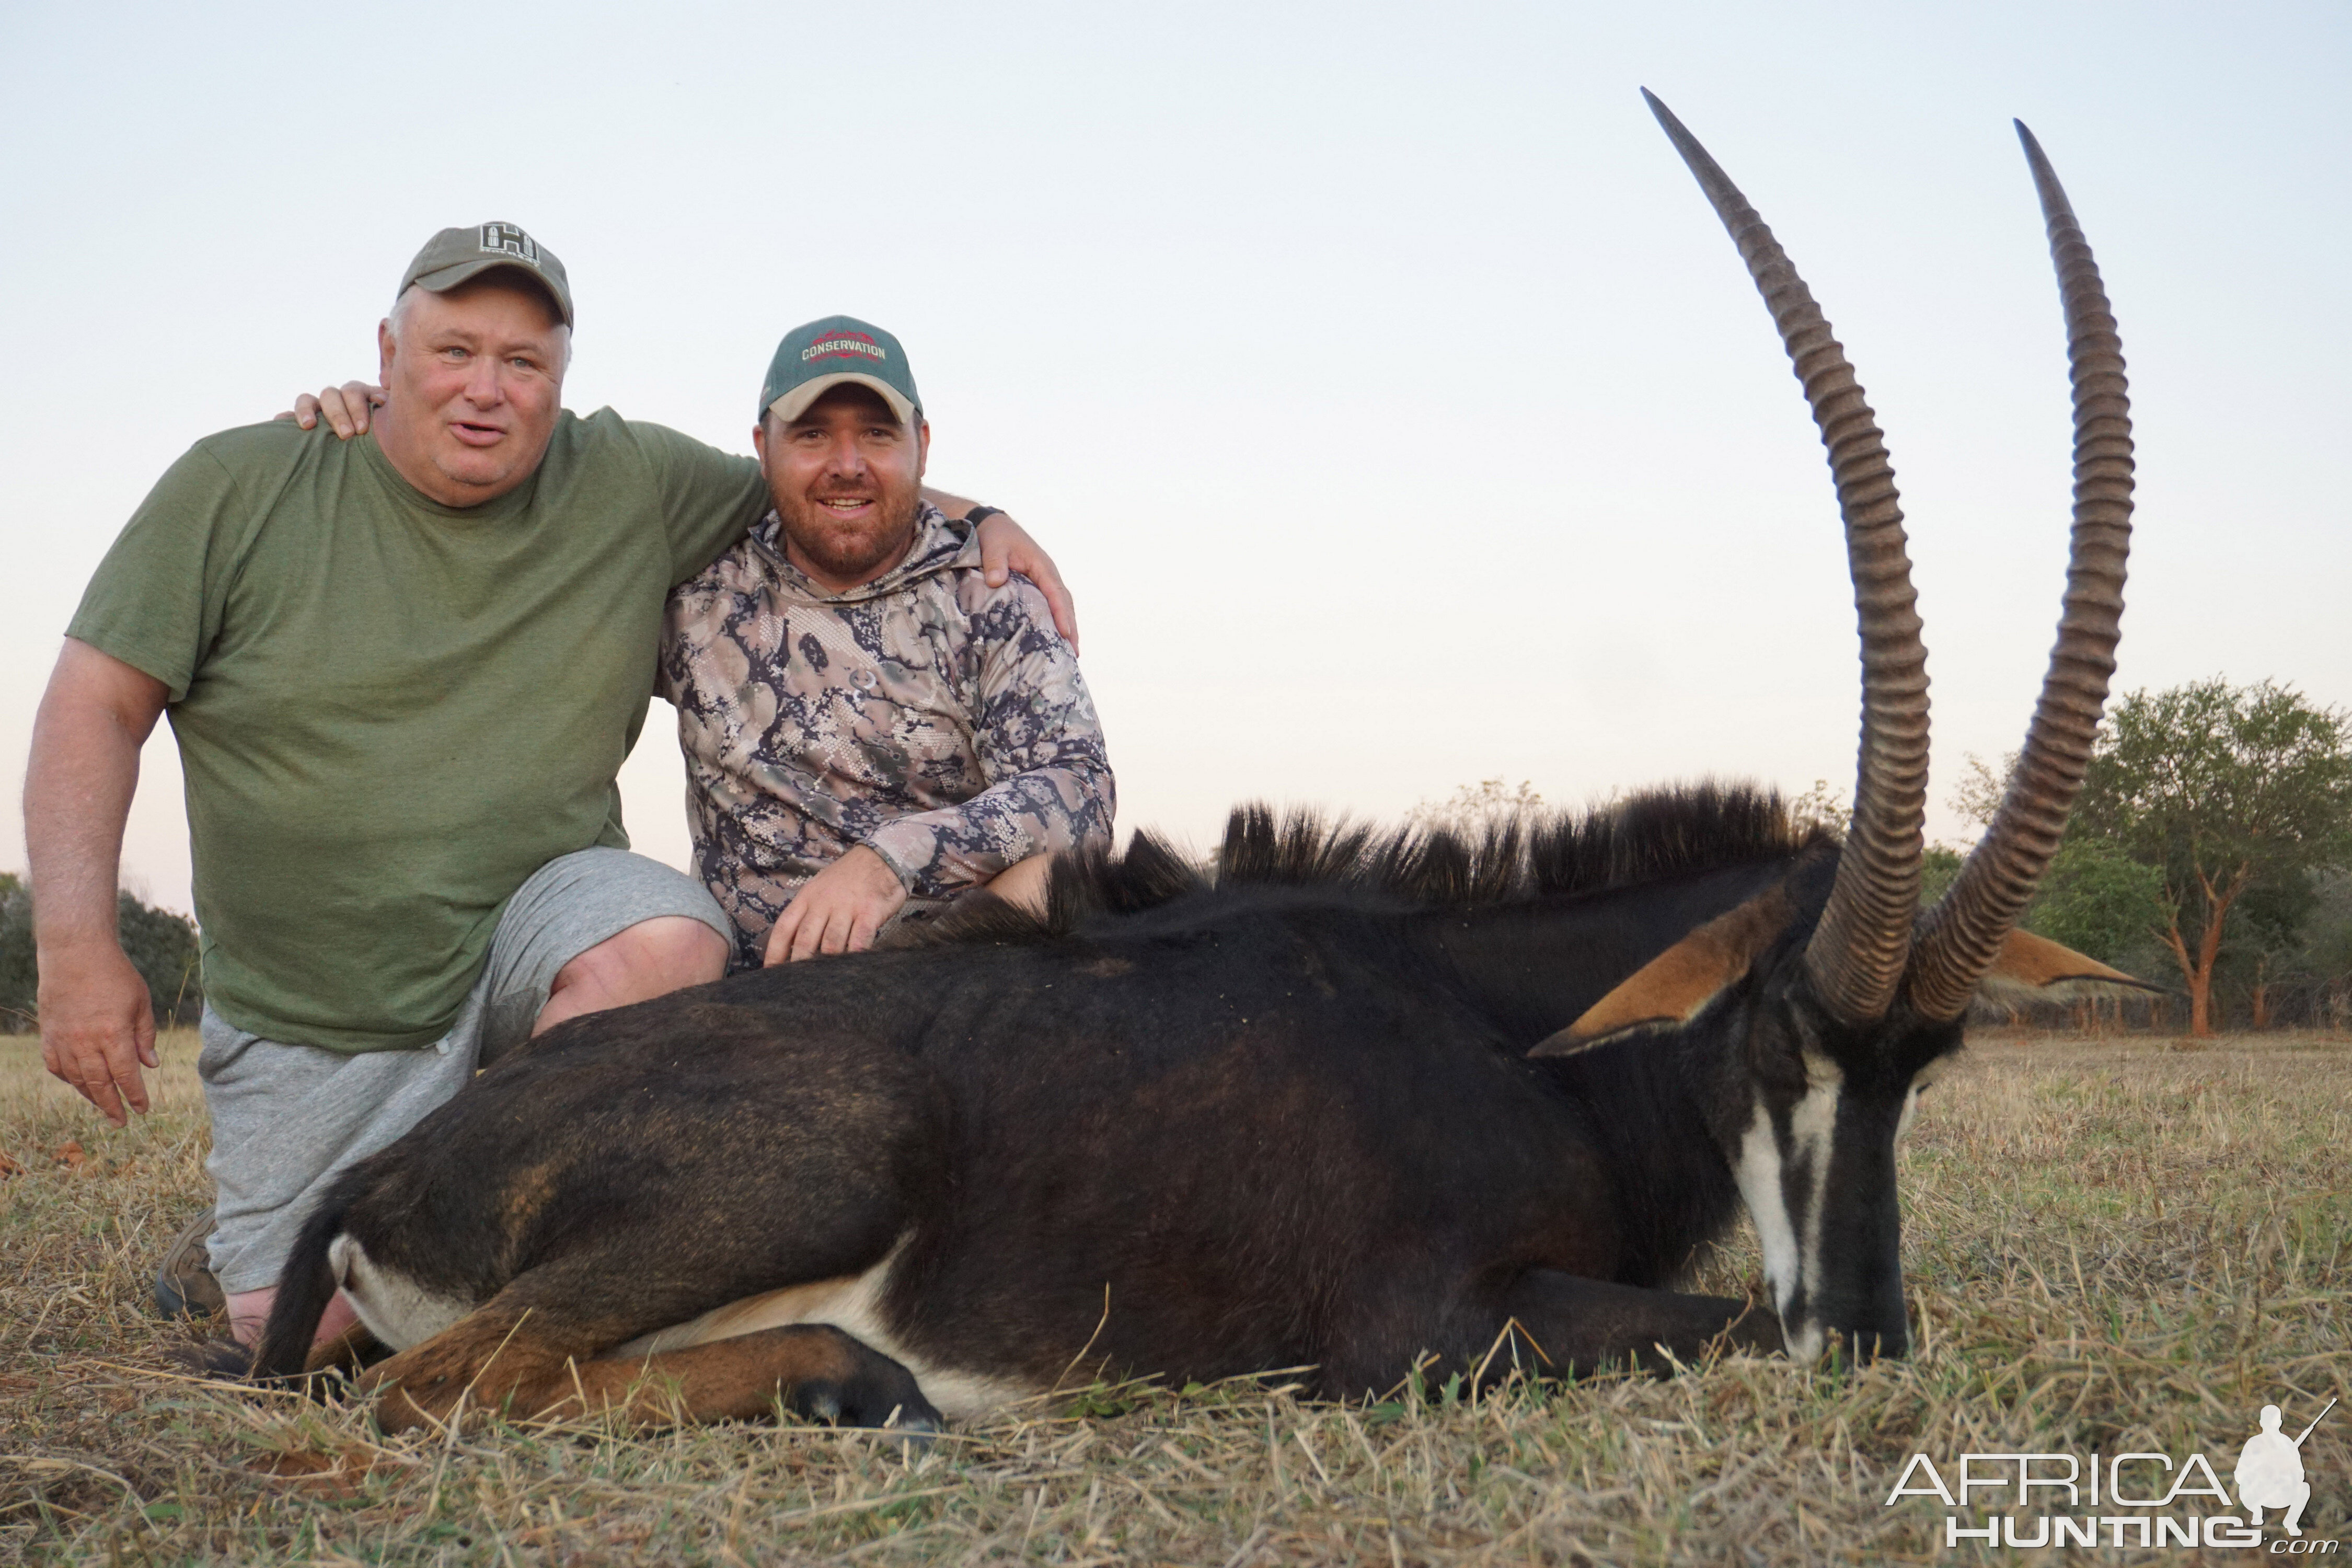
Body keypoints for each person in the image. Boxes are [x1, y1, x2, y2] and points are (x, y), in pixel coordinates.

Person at [25, 223, 1070, 1351]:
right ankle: (275, 1229)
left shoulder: (625, 478)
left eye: (522, 363)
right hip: (323, 998)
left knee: (669, 940)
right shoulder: (237, 484)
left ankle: (537, 1207)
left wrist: (984, 517)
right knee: (311, 1342)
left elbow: (837, 486)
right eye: (453, 351)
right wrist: (76, 949)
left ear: (560, 381)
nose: (486, 389)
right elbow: (95, 704)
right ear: (385, 354)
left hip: (535, 938)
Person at [663, 316, 1112, 965]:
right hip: (753, 990)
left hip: (943, 978)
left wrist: (889, 862)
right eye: (813, 435)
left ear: (921, 447)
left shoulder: (989, 593)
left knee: (1053, 887)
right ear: (763, 449)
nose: (848, 466)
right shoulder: (697, 597)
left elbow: (1080, 788)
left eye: (876, 435)